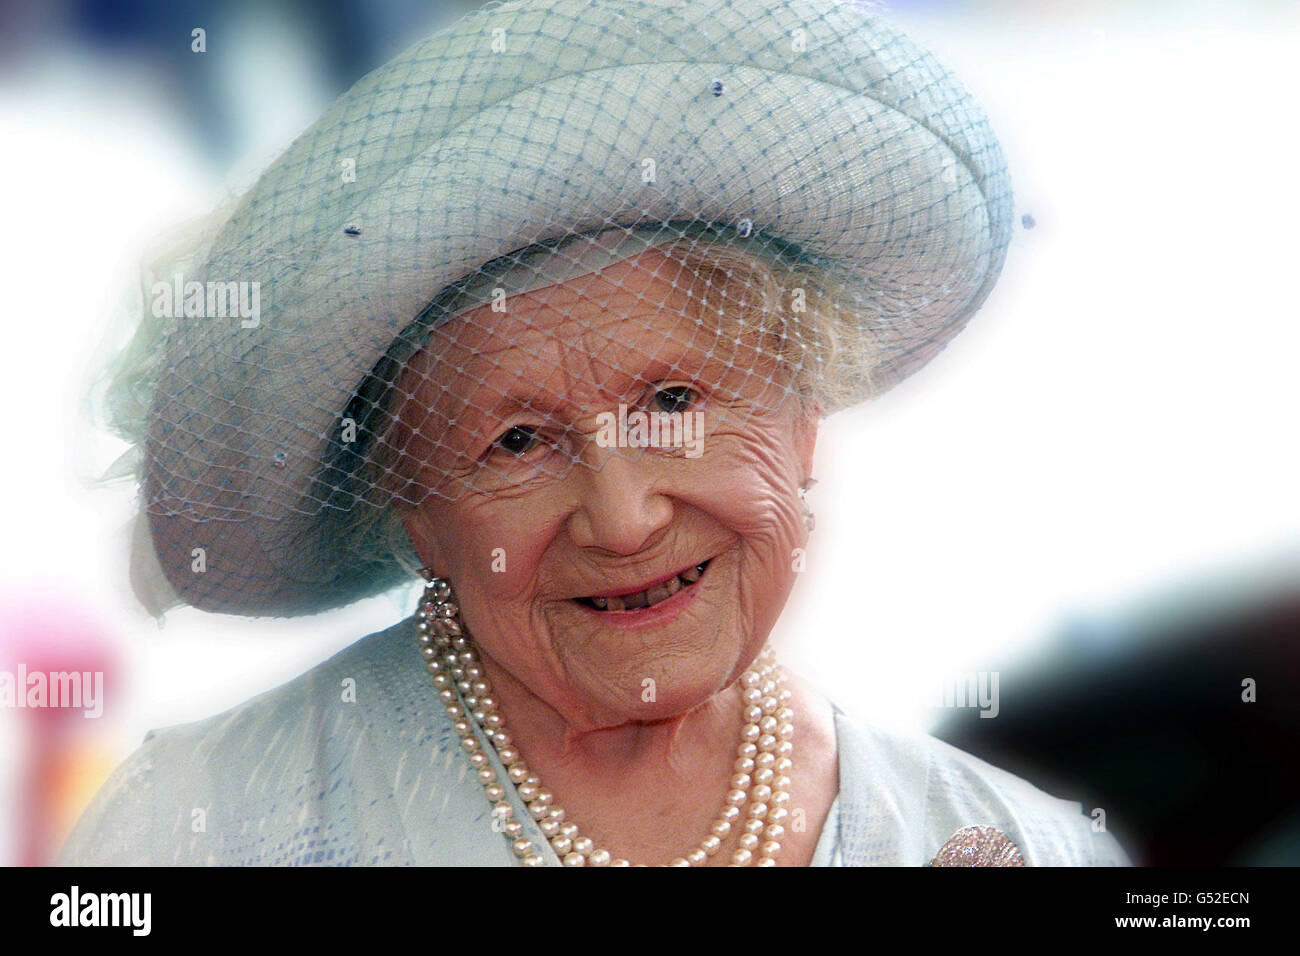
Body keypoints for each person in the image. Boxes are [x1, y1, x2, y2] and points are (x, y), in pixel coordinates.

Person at [60, 0, 1129, 866]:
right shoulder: (199, 826)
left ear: (805, 418)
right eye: (516, 441)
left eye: (674, 403)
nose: (623, 520)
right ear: (416, 512)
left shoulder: (1013, 844)